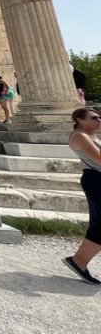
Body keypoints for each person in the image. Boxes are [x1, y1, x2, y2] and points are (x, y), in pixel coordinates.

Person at [63, 108, 101, 285]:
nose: (99, 120)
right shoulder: (80, 136)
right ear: (80, 120)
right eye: (94, 117)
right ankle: (78, 261)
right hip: (96, 180)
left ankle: (79, 260)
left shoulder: (89, 135)